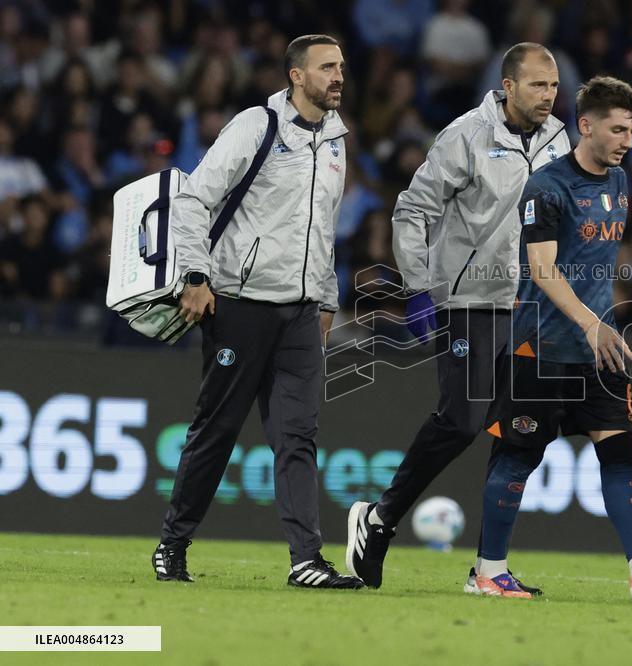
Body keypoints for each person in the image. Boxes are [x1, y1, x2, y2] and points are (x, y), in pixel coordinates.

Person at [466, 76, 632, 600]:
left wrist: (606, 323)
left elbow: (596, 266)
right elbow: (543, 269)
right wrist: (590, 322)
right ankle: (488, 572)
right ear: (586, 125)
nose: (627, 141)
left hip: (600, 348)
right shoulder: (547, 188)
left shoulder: (619, 184)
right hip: (541, 346)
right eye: (618, 130)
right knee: (518, 457)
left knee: (620, 453)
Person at [345, 43, 570, 590]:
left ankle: (489, 570)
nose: (549, 96)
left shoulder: (560, 139)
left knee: (521, 431)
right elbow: (412, 209)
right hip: (470, 300)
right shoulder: (465, 135)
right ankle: (378, 521)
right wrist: (419, 287)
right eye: (538, 85)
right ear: (509, 86)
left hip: (531, 306)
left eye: (555, 86)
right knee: (463, 420)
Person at [152, 35, 362, 590]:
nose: (338, 76)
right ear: (296, 76)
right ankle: (173, 543)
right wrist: (196, 275)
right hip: (240, 305)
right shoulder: (256, 126)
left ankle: (306, 561)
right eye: (327, 68)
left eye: (341, 66)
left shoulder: (337, 139)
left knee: (298, 436)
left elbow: (323, 231)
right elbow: (195, 199)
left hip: (298, 313)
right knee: (216, 430)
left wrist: (326, 296)